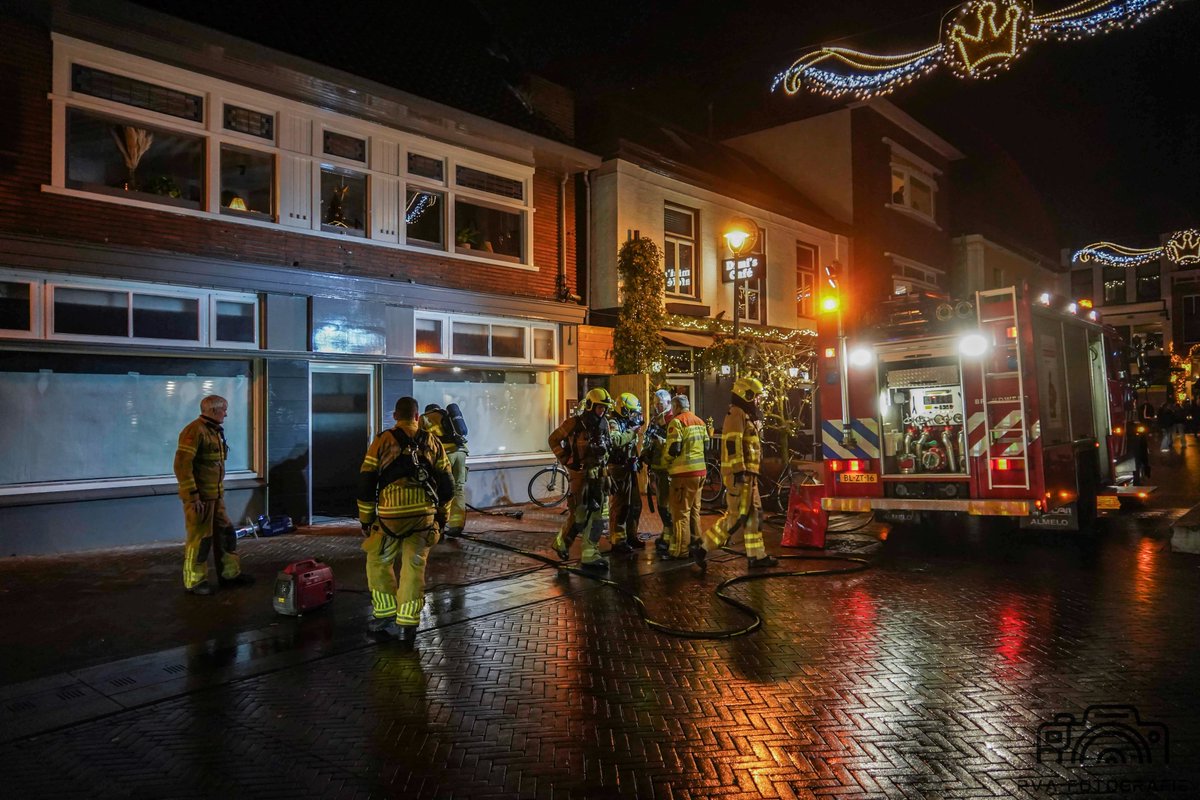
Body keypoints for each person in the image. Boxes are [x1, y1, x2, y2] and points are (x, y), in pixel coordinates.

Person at [357, 396, 454, 645]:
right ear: (417, 416)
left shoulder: (382, 440)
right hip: (423, 517)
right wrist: (442, 517)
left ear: (394, 416)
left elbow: (366, 481)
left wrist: (366, 519)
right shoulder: (433, 441)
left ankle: (385, 615)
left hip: (390, 517)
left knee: (378, 562)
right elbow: (447, 484)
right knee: (414, 567)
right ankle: (408, 623)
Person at [693, 376, 779, 570]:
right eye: (756, 396)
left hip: (749, 476)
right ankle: (702, 546)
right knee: (736, 517)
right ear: (746, 394)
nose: (758, 400)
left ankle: (756, 555)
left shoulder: (745, 415)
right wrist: (739, 471)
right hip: (740, 476)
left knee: (754, 515)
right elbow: (733, 444)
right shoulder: (736, 414)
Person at [174, 394, 253, 595]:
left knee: (226, 534)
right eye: (224, 409)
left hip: (215, 497)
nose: (226, 414)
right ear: (213, 410)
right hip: (200, 499)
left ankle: (230, 574)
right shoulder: (194, 431)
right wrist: (193, 496)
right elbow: (182, 465)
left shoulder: (213, 431)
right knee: (200, 540)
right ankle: (195, 581)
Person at [549, 388, 616, 570]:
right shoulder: (574, 423)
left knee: (598, 515)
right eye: (599, 407)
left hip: (599, 474)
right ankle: (561, 542)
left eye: (604, 408)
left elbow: (606, 449)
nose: (602, 411)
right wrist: (566, 460)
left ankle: (590, 553)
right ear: (590, 405)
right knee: (579, 515)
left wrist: (607, 472)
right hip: (580, 475)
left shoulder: (604, 424)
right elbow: (553, 439)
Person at [661, 394, 707, 560]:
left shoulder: (677, 422)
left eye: (673, 407)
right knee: (694, 511)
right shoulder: (700, 421)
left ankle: (681, 550)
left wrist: (664, 461)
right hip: (700, 473)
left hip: (683, 475)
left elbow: (674, 448)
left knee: (681, 514)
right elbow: (707, 445)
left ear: (677, 407)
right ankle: (697, 545)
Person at [420, 402, 468, 536]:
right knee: (458, 488)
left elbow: (420, 439)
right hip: (461, 452)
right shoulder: (447, 416)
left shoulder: (424, 418)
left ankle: (439, 526)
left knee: (440, 489)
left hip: (445, 455)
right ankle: (457, 525)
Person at [608, 392, 646, 554]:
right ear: (622, 409)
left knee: (635, 504)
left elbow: (631, 445)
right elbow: (615, 441)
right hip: (618, 468)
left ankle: (631, 535)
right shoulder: (613, 422)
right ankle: (618, 540)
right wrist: (632, 432)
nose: (633, 416)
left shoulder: (627, 422)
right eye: (631, 412)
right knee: (621, 505)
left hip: (629, 467)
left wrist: (637, 460)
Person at [642, 389, 675, 555]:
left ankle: (671, 535)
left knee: (667, 504)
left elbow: (674, 444)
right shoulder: (655, 420)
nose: (657, 407)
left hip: (669, 469)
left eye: (660, 404)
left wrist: (660, 441)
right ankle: (667, 532)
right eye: (655, 404)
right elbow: (647, 439)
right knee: (661, 503)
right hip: (657, 468)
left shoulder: (673, 421)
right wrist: (644, 453)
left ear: (668, 403)